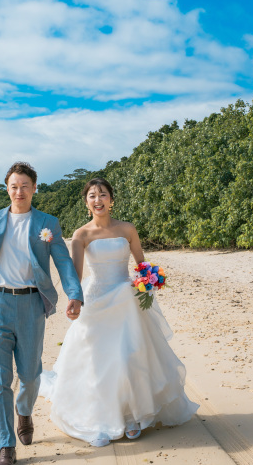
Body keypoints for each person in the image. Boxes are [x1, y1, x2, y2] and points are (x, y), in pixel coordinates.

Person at [39, 177, 199, 447]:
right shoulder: (81, 235)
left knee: (129, 356)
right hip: (96, 301)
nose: (98, 200)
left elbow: (142, 264)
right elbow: (75, 275)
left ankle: (131, 415)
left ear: (111, 200)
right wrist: (74, 300)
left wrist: (148, 281)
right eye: (92, 195)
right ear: (86, 202)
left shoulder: (127, 229)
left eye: (103, 194)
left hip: (126, 298)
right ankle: (99, 418)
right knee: (98, 361)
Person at [0, 161, 84, 465]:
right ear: (7, 189)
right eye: (14, 186)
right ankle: (6, 446)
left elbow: (63, 261)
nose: (19, 191)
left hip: (31, 305)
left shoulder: (47, 223)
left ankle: (24, 411)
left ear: (34, 188)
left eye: (25, 186)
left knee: (30, 374)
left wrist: (75, 294)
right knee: (0, 379)